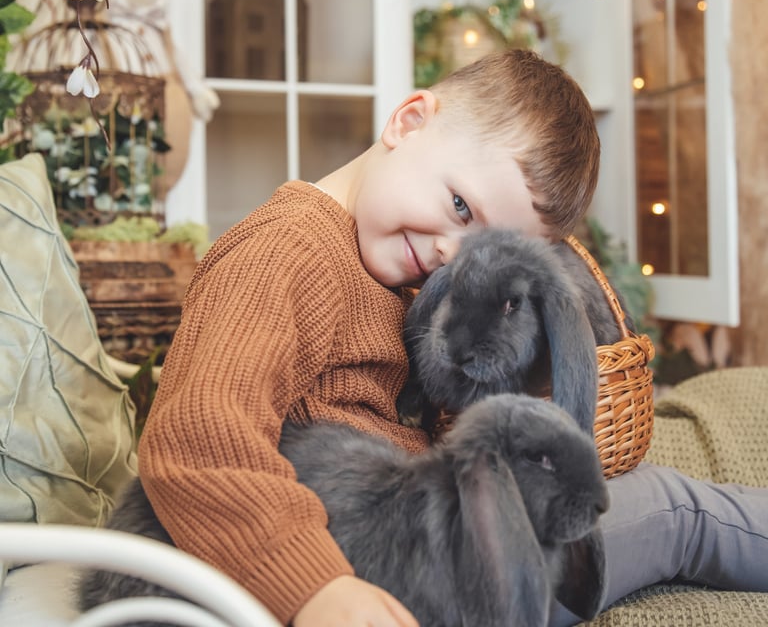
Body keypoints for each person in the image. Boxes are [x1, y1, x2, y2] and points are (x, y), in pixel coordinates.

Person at [137, 48, 768, 627]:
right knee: (674, 510)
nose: (449, 254)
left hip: (405, 525)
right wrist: (315, 588)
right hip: (381, 560)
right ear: (408, 121)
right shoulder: (284, 250)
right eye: (461, 207)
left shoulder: (386, 271)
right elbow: (199, 434)